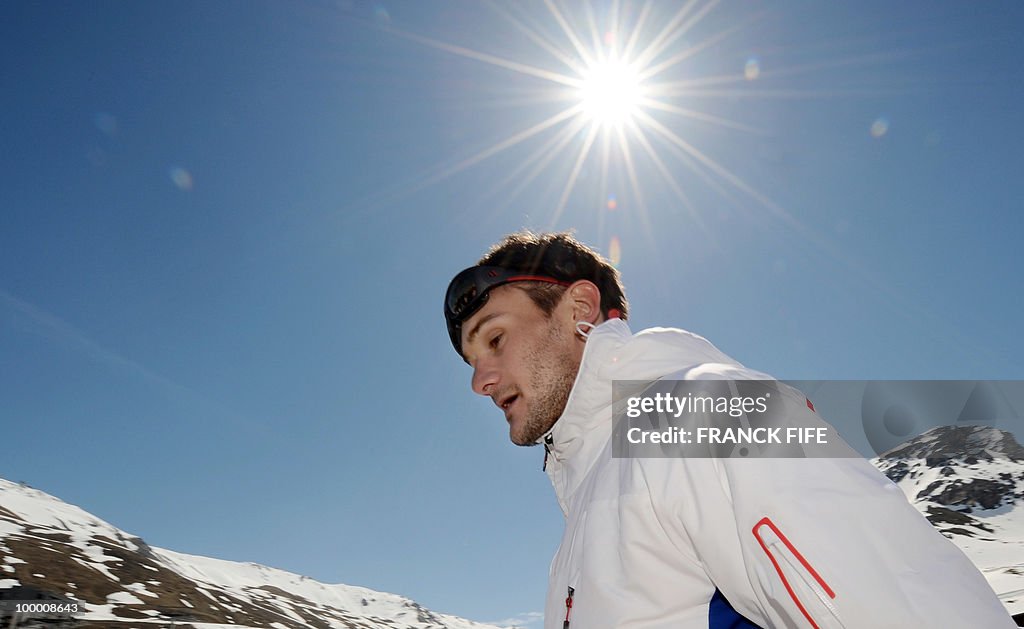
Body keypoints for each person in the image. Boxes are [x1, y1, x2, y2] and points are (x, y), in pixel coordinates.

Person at [443, 231, 1015, 629]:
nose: (480, 381)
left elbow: (911, 609)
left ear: (579, 310)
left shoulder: (701, 413)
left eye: (494, 339)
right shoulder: (588, 509)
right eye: (471, 361)